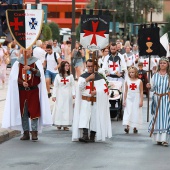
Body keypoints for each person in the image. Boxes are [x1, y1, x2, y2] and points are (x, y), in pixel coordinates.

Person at [2, 48, 52, 141]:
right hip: (22, 91)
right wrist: (22, 82)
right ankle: (25, 132)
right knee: (23, 112)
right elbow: (14, 78)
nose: (26, 52)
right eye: (24, 50)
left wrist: (31, 68)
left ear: (31, 51)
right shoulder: (18, 62)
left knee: (34, 111)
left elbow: (39, 74)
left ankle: (34, 132)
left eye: (28, 50)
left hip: (33, 91)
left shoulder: (36, 62)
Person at [72, 59, 112, 143]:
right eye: (88, 66)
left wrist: (96, 92)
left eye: (91, 66)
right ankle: (85, 135)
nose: (90, 68)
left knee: (94, 118)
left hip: (95, 100)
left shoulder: (100, 78)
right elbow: (80, 87)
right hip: (85, 100)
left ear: (95, 66)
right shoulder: (83, 76)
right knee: (84, 117)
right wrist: (88, 79)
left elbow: (105, 90)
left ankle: (92, 136)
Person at [146, 57, 170, 146]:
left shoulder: (169, 75)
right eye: (161, 63)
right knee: (157, 118)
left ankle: (165, 139)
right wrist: (149, 86)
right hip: (157, 99)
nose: (162, 64)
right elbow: (152, 88)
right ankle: (158, 139)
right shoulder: (155, 75)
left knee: (166, 118)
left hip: (167, 99)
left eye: (164, 63)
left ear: (167, 65)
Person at [52, 61, 75, 131]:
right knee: (59, 108)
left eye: (68, 65)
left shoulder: (70, 76)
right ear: (62, 67)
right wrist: (54, 95)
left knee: (67, 109)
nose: (67, 67)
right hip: (60, 95)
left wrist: (74, 94)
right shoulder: (58, 76)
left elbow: (73, 85)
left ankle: (65, 124)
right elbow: (55, 86)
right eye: (66, 65)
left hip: (68, 95)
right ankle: (58, 123)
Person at [123, 66, 143, 133]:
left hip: (136, 97)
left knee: (135, 112)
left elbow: (141, 91)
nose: (131, 74)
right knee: (128, 112)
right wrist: (124, 100)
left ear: (136, 73)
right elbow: (125, 91)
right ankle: (127, 127)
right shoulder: (127, 81)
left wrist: (141, 101)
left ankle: (135, 127)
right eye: (130, 72)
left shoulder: (139, 81)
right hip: (129, 97)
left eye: (133, 72)